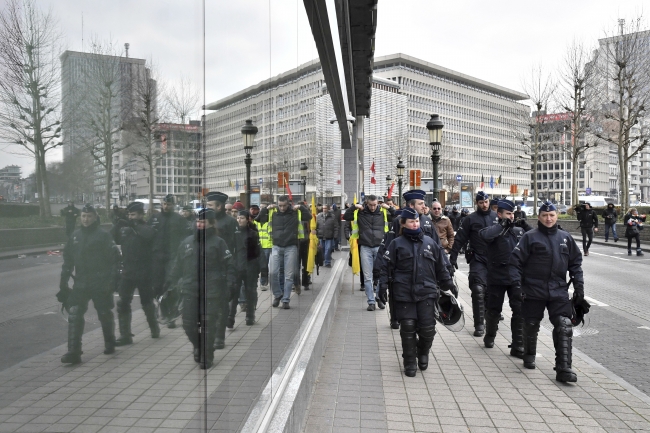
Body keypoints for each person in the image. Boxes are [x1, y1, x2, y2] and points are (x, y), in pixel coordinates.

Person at [509, 201, 584, 382]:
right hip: (533, 290)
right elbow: (515, 263)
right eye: (544, 215)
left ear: (556, 215)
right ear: (539, 217)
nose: (548, 219)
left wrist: (579, 288)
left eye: (551, 215)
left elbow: (575, 264)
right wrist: (517, 287)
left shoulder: (565, 237)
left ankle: (564, 368)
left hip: (558, 290)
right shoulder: (529, 237)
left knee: (564, 325)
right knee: (531, 324)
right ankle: (529, 355)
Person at [378, 208, 455, 377]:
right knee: (408, 327)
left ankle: (422, 351)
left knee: (428, 329)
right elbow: (386, 267)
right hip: (403, 292)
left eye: (417, 221)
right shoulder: (396, 244)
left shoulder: (429, 242)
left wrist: (449, 283)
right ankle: (409, 360)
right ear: (403, 224)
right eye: (411, 221)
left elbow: (441, 266)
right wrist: (382, 287)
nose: (415, 224)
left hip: (427, 292)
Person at [168, 208, 235, 367]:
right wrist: (170, 281)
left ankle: (207, 354)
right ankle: (198, 345)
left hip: (212, 290)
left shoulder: (219, 243)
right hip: (190, 289)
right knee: (188, 323)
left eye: (203, 222)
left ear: (211, 224)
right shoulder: (187, 242)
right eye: (197, 221)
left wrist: (230, 284)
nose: (199, 224)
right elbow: (178, 265)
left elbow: (229, 265)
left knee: (208, 324)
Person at [58, 204, 119, 364]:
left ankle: (110, 342)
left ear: (95, 217)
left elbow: (114, 260)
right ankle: (74, 351)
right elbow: (68, 260)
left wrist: (112, 282)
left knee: (104, 313)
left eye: (89, 216)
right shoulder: (75, 236)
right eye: (83, 216)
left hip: (100, 281)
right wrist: (63, 282)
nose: (86, 219)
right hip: (81, 282)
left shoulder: (103, 236)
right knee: (75, 314)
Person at [479, 199, 529, 357]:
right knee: (494, 309)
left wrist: (525, 225)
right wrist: (502, 225)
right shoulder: (494, 229)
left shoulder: (517, 231)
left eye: (512, 213)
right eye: (508, 213)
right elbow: (485, 235)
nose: (511, 216)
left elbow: (531, 239)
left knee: (519, 310)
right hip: (497, 276)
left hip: (515, 276)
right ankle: (490, 335)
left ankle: (518, 345)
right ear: (499, 214)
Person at [449, 191, 498, 336]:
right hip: (478, 258)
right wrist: (453, 258)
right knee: (477, 290)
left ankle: (490, 323)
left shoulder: (497, 217)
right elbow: (460, 239)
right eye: (481, 202)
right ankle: (479, 325)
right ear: (477, 203)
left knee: (491, 294)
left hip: (495, 260)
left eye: (486, 202)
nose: (484, 205)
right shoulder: (470, 219)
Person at [111, 202, 159, 346]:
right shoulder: (126, 230)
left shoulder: (146, 228)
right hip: (128, 272)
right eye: (129, 215)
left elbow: (148, 236)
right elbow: (111, 237)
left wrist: (132, 225)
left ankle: (154, 328)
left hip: (144, 272)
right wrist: (118, 224)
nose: (131, 217)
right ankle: (125, 335)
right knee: (123, 302)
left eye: (133, 214)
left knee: (147, 302)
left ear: (140, 214)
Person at [256, 195, 311, 309]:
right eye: (280, 206)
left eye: (284, 206)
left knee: (288, 275)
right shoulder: (273, 212)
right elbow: (259, 219)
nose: (282, 208)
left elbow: (308, 216)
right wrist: (266, 209)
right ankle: (278, 294)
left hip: (291, 247)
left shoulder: (295, 213)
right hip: (276, 246)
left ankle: (285, 299)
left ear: (288, 204)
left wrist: (301, 207)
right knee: (273, 273)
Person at [344, 194, 394, 311]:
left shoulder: (383, 212)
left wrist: (389, 207)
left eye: (374, 205)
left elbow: (398, 216)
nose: (372, 207)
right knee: (367, 277)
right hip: (365, 247)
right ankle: (371, 301)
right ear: (366, 203)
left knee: (380, 276)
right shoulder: (360, 212)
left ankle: (379, 299)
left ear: (378, 203)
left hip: (380, 247)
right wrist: (353, 207)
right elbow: (346, 216)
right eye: (370, 205)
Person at [149, 194, 188, 328]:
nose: (166, 207)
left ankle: (171, 315)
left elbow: (186, 236)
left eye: (169, 204)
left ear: (173, 205)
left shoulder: (179, 219)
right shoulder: (155, 218)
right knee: (158, 286)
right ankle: (165, 313)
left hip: (172, 256)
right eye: (164, 204)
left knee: (170, 286)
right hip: (157, 256)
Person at [205, 192, 240, 324]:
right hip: (210, 266)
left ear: (219, 207)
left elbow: (238, 245)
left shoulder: (230, 222)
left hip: (226, 265)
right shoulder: (207, 221)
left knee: (226, 296)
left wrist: (236, 265)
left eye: (210, 205)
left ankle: (228, 317)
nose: (207, 207)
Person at [233, 210, 261, 325]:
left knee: (250, 290)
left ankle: (250, 315)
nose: (239, 220)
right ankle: (231, 316)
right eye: (238, 218)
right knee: (235, 291)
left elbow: (257, 253)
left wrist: (260, 268)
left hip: (250, 266)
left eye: (242, 218)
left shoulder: (253, 233)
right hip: (237, 266)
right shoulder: (233, 233)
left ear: (248, 219)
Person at [254, 207, 272, 291]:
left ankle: (264, 282)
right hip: (259, 246)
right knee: (262, 265)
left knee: (266, 265)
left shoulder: (269, 223)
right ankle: (263, 282)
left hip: (268, 246)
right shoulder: (256, 223)